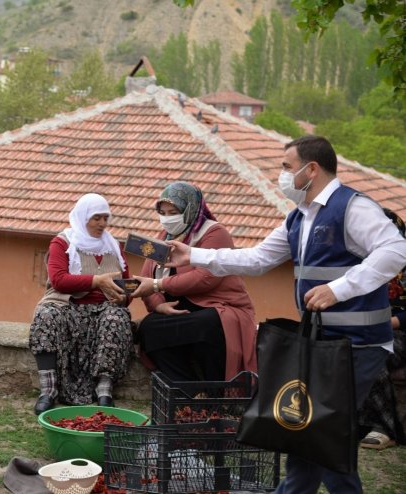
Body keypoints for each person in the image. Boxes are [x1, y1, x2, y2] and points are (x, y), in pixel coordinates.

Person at [163, 135, 406, 493]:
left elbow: (394, 250)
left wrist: (338, 288)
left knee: (321, 433)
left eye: (286, 167)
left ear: (311, 169)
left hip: (358, 345)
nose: (281, 174)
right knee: (309, 431)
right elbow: (258, 259)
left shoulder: (352, 207)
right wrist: (194, 256)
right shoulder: (298, 218)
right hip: (322, 343)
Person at [131, 182, 257, 382]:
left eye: (173, 211)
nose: (167, 218)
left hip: (219, 309)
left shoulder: (214, 233)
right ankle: (187, 390)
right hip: (180, 312)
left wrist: (158, 285)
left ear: (191, 208)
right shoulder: (165, 236)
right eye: (162, 212)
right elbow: (148, 274)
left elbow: (206, 278)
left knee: (206, 324)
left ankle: (217, 394)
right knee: (149, 328)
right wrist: (159, 305)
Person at [29, 193, 134, 415]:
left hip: (104, 310)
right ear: (83, 216)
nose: (102, 224)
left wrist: (123, 296)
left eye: (106, 218)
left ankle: (104, 390)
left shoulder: (113, 246)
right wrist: (97, 281)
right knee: (46, 315)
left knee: (117, 317)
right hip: (69, 306)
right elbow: (58, 279)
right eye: (96, 218)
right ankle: (48, 390)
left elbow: (126, 285)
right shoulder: (63, 242)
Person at [358, 208, 406, 450]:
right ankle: (355, 421)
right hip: (368, 326)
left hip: (400, 332)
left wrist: (389, 323)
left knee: (374, 351)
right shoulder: (363, 263)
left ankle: (384, 428)